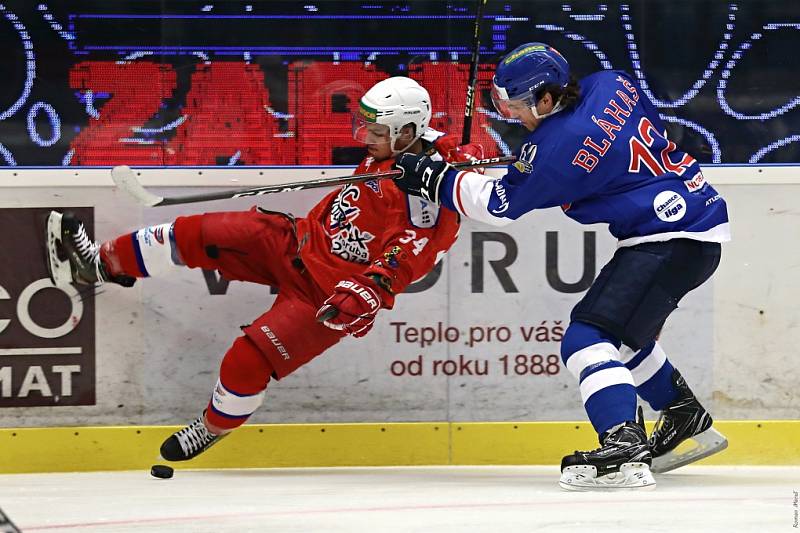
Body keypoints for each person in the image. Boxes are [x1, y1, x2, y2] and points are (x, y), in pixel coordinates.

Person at [46, 76, 482, 463]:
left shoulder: (428, 202)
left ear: (407, 132)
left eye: (376, 130)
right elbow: (458, 143)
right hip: (300, 239)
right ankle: (99, 266)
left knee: (246, 360)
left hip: (328, 293)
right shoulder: (411, 140)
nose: (364, 135)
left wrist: (368, 290)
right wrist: (466, 148)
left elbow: (410, 256)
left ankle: (214, 426)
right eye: (365, 124)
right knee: (199, 233)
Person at [392, 43, 730, 491]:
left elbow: (500, 204)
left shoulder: (555, 149)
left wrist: (437, 179)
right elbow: (596, 154)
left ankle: (622, 441)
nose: (515, 119)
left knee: (585, 339)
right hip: (692, 225)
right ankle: (684, 416)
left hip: (668, 241)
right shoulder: (612, 84)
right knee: (625, 337)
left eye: (517, 109)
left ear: (547, 99)